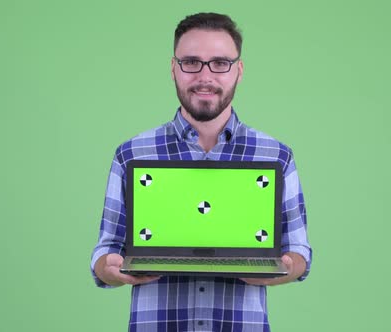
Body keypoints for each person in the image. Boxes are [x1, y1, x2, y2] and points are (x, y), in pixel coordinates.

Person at [91, 12, 312, 332]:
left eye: (220, 62)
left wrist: (284, 268)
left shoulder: (276, 155)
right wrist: (110, 269)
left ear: (239, 70)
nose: (205, 76)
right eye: (191, 62)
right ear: (173, 69)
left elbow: (299, 252)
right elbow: (105, 250)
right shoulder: (132, 153)